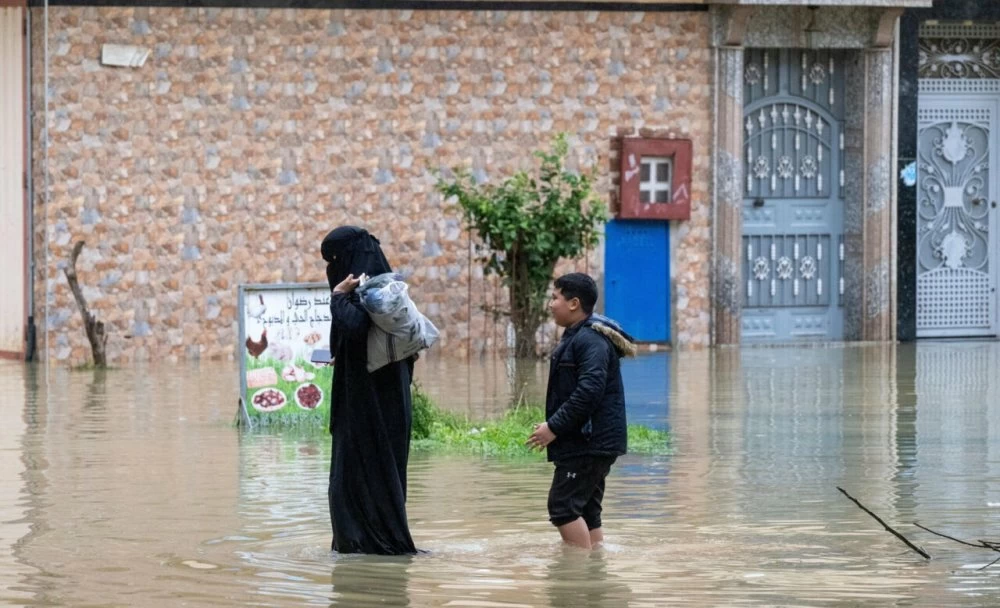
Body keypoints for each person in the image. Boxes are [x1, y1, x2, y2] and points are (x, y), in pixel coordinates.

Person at [321, 226, 417, 555]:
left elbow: (356, 326)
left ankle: (368, 547)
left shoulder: (377, 291)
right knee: (369, 477)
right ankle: (367, 546)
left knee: (355, 480)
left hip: (370, 409)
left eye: (333, 259)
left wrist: (336, 296)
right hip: (379, 402)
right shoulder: (384, 289)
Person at [526, 272, 635, 550]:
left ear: (573, 303)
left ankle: (576, 582)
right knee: (586, 510)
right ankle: (594, 575)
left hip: (589, 443)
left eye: (555, 298)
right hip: (591, 440)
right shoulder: (580, 337)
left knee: (562, 507)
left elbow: (589, 392)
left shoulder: (590, 341)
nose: (551, 304)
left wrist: (553, 427)